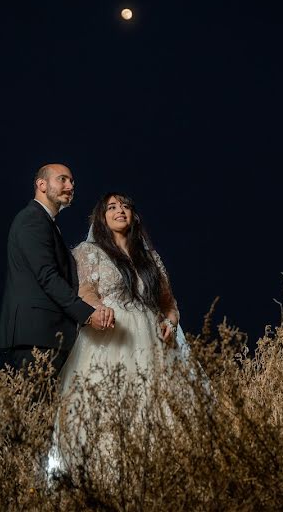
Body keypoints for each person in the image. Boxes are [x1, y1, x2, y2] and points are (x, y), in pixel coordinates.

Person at [46, 192, 198, 478]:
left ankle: (156, 476)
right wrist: (100, 310)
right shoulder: (88, 252)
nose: (120, 211)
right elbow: (86, 292)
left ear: (134, 216)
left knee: (155, 406)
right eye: (112, 207)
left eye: (125, 206)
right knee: (108, 408)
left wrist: (172, 323)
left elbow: (168, 302)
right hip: (110, 336)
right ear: (101, 218)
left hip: (153, 341)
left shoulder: (150, 257)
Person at [0, 163, 115, 375]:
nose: (70, 186)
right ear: (41, 184)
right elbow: (47, 276)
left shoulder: (47, 223)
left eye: (72, 182)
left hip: (48, 335)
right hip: (36, 335)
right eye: (62, 179)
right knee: (35, 405)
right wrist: (87, 315)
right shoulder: (32, 219)